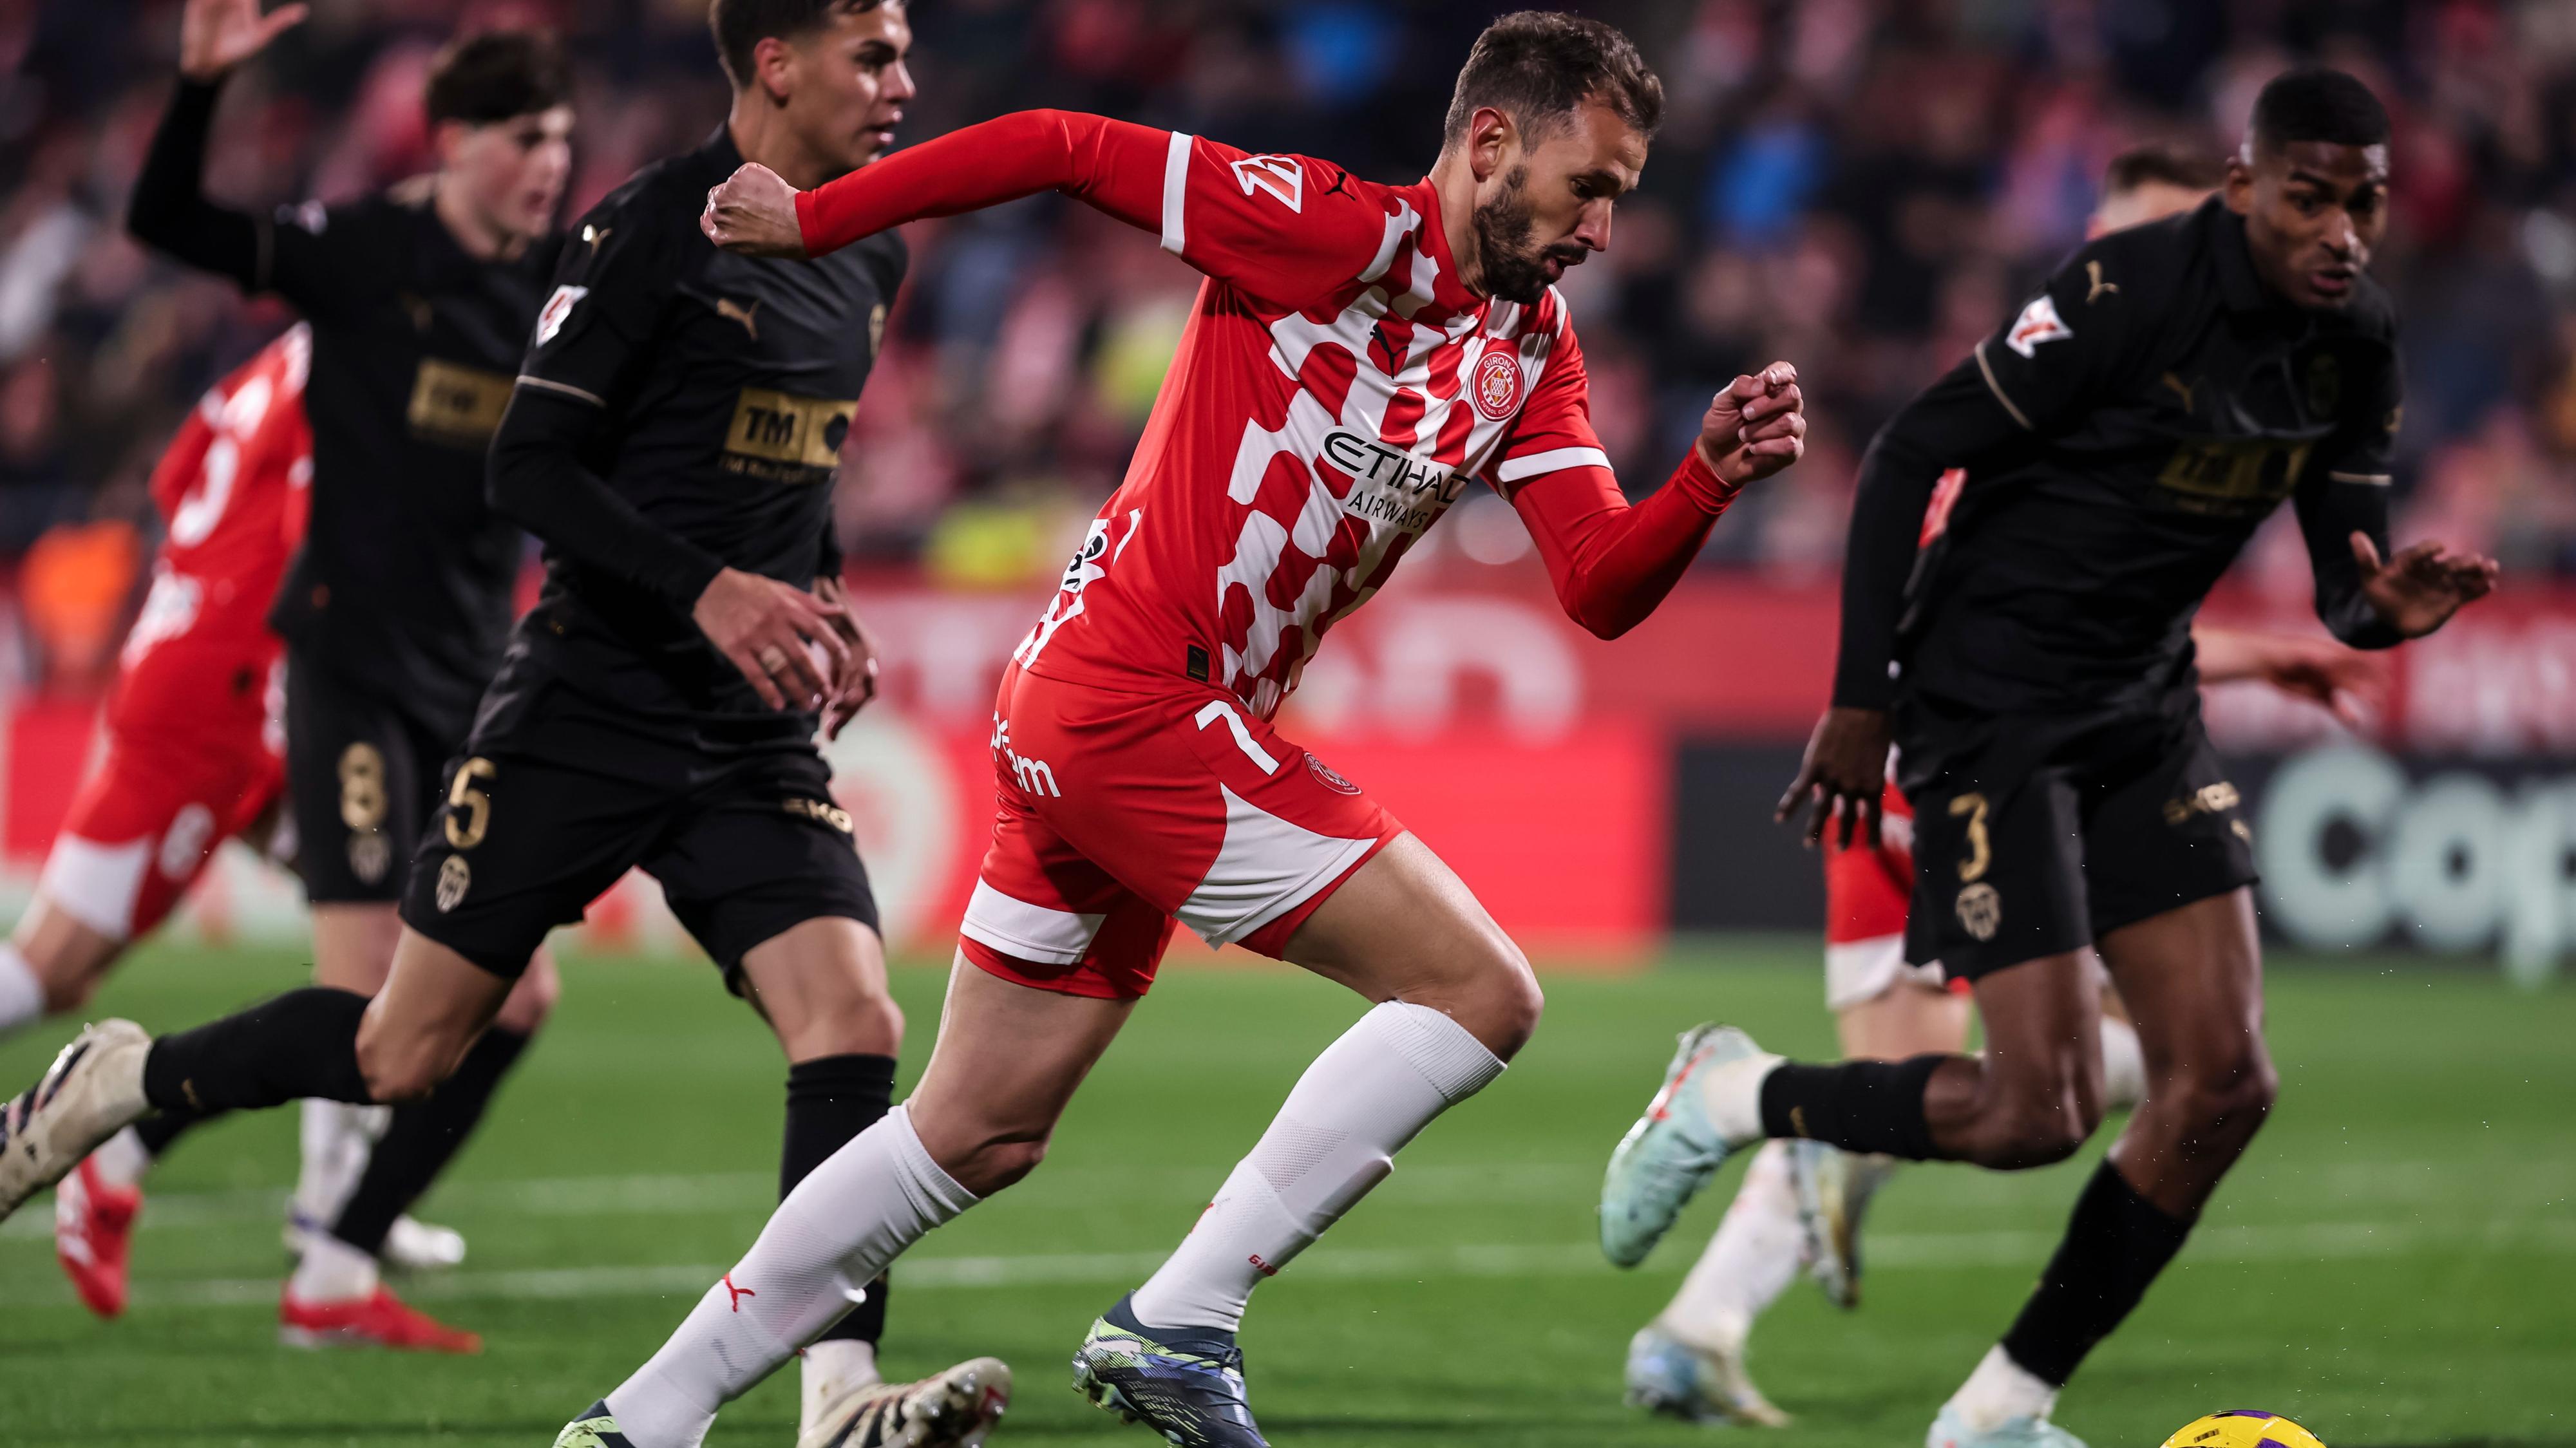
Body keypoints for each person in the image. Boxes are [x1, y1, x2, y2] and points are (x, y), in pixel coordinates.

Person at [538, 13, 1807, 1448]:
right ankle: (1182, 1317)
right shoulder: (1330, 229)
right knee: (1481, 992)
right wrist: (818, 219)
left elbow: (1595, 585)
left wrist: (1702, 481)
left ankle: (643, 1418)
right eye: (1589, 187)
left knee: (977, 1129)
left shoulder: (1527, 346)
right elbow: (1061, 144)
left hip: (1109, 714)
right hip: (1135, 698)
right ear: (1493, 143)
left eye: (1621, 198)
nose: (1603, 227)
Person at [0, 0, 1007, 1438]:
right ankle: (123, 1083)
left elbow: (799, 468)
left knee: (851, 1017)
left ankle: (837, 1395)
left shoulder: (872, 251)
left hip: (743, 728)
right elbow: (528, 466)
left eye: (904, 51)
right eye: (875, 54)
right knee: (401, 1048)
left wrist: (821, 585)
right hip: (585, 703)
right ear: (778, 66)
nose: (905, 81)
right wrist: (708, 588)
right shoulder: (643, 231)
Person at [1598, 71, 2497, 1448]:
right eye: (2308, 198)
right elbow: (1905, 453)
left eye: (2363, 203)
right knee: (2034, 1111)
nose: (2340, 231)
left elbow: (2341, 582)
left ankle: (1998, 1409)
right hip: (1991, 705)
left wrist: (2384, 612)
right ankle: (1731, 1094)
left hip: (2141, 705)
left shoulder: (2355, 344)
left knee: (2223, 1085)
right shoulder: (2124, 291)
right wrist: (1859, 701)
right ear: (2244, 186)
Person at [44, 3, 583, 1351]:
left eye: (562, 140)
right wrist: (200, 89)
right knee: (370, 1001)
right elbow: (171, 220)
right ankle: (279, 1235)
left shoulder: (557, 287)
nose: (548, 165)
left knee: (515, 998)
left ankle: (230, 1193)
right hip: (347, 670)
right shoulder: (365, 252)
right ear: (451, 142)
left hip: (471, 681)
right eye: (523, 139)